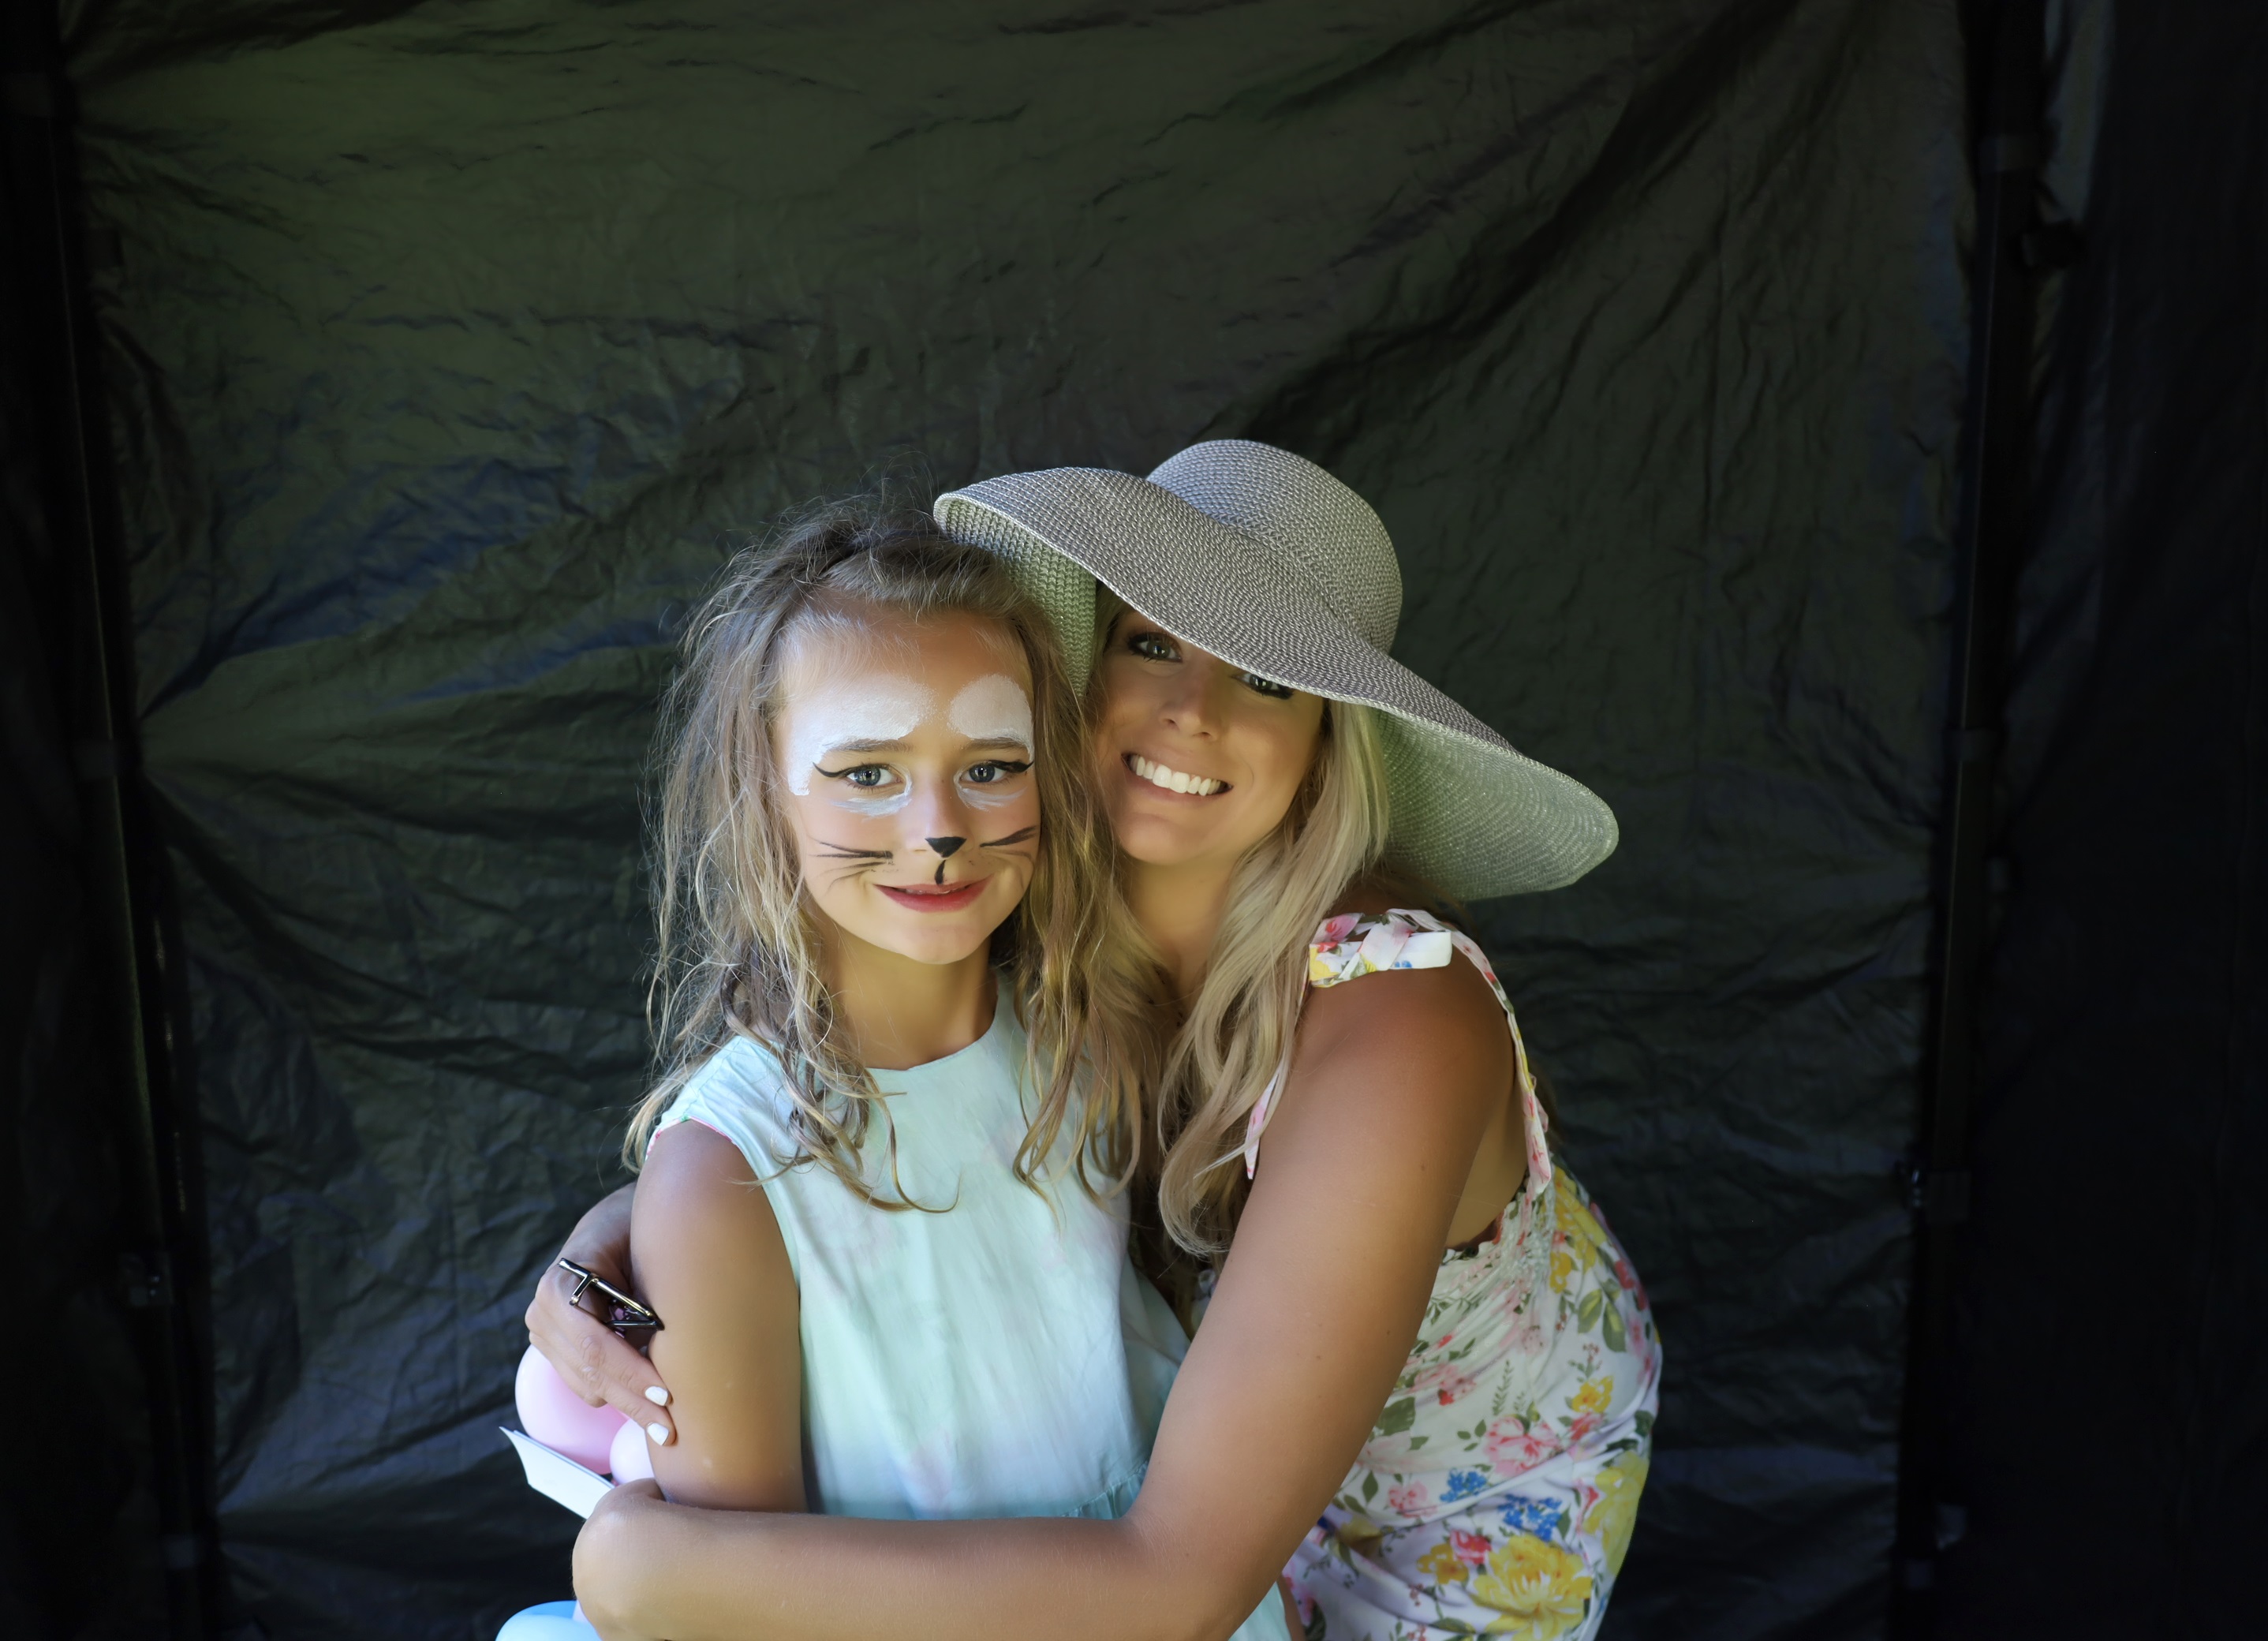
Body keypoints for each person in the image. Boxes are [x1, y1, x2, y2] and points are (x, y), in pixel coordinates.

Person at [532, 442, 1662, 1641]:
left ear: (1330, 740)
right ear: (1081, 673)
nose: (1194, 712)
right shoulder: (1025, 905)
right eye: (1154, 644)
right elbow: (892, 1116)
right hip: (1172, 1487)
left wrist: (662, 1572)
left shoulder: (1402, 1021)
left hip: (1421, 1547)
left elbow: (1180, 1588)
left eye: (1269, 680)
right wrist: (644, 1229)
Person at [506, 505, 1286, 1639]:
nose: (939, 829)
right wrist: (669, 1200)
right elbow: (733, 1604)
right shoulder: (722, 1176)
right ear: (763, 793)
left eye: (992, 767)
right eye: (868, 771)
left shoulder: (1090, 1029)